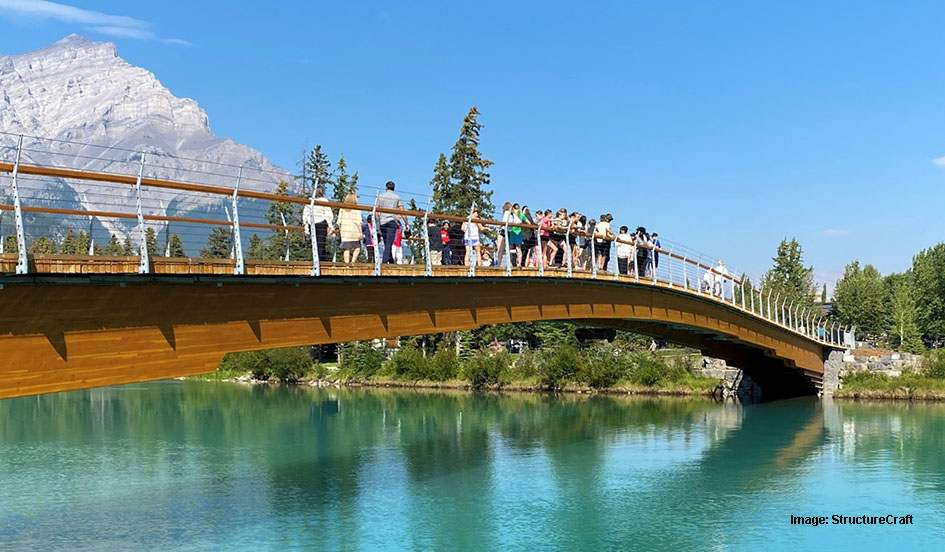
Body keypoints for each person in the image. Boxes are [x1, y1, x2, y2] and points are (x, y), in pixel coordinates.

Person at [377, 181, 407, 264]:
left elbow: (376, 211)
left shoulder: (380, 196)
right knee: (389, 242)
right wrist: (406, 223)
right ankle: (384, 262)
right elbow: (402, 210)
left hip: (382, 221)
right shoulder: (397, 197)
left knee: (386, 241)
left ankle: (391, 261)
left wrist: (377, 222)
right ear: (394, 188)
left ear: (386, 187)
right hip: (392, 221)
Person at [302, 185, 334, 262]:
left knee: (314, 242)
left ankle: (315, 259)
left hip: (311, 223)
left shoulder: (310, 201)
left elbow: (305, 214)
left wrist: (305, 224)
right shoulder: (324, 201)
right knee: (321, 243)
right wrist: (330, 225)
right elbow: (328, 214)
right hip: (321, 223)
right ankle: (320, 260)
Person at [336, 192, 363, 263]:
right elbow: (359, 222)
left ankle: (347, 264)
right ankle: (353, 262)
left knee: (346, 248)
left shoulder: (342, 209)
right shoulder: (357, 209)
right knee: (357, 247)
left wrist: (341, 229)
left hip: (344, 231)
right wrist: (361, 233)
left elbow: (339, 222)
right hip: (354, 230)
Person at [495, 202, 512, 266]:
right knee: (509, 249)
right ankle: (509, 264)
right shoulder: (512, 214)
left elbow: (504, 222)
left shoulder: (506, 213)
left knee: (500, 249)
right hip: (509, 231)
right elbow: (518, 221)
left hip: (504, 231)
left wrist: (498, 226)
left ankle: (498, 264)